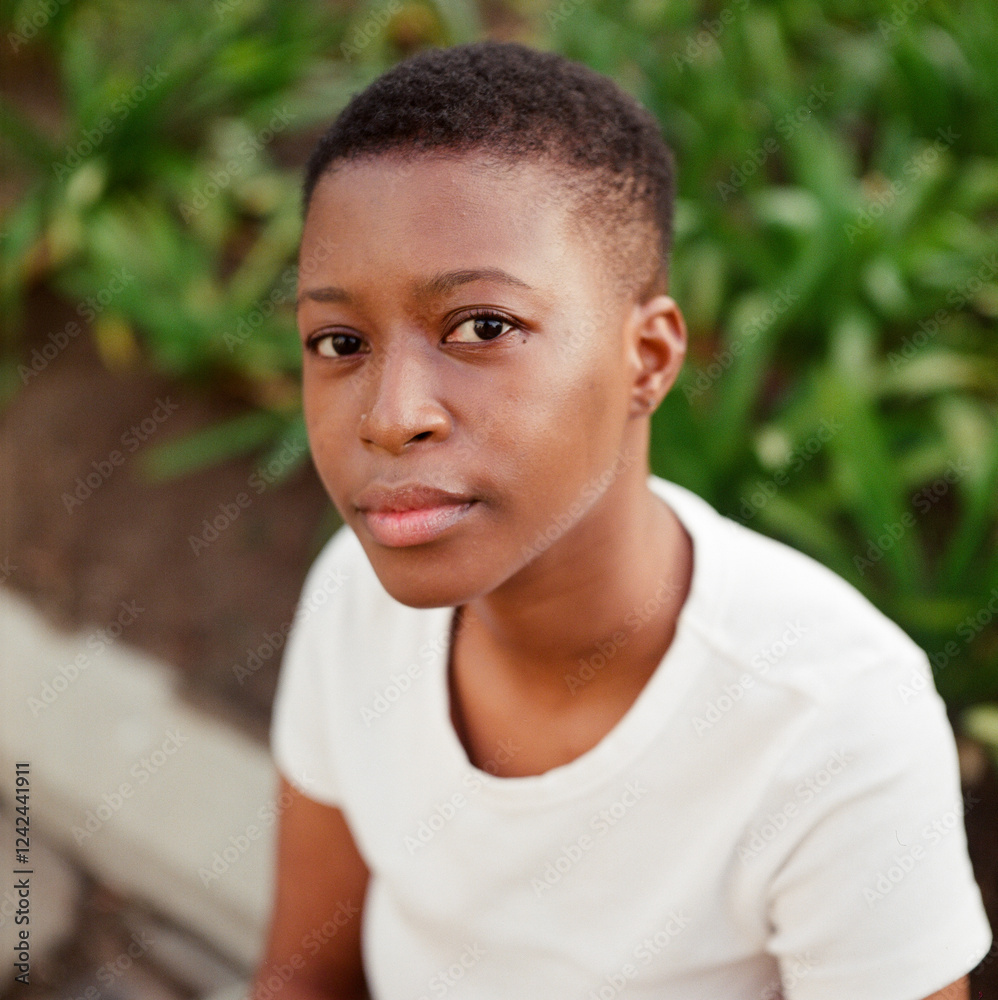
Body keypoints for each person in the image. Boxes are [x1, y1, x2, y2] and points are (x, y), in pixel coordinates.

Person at [250, 39, 992, 1000]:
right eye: (338, 341)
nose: (391, 417)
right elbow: (303, 980)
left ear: (647, 358)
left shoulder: (833, 722)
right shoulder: (354, 598)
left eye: (483, 327)